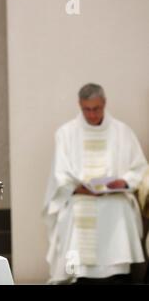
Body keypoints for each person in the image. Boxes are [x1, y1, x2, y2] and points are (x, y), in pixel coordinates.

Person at [44, 83, 148, 284]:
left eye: (96, 109)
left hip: (114, 196)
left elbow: (139, 168)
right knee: (76, 212)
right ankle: (79, 274)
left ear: (104, 103)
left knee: (119, 209)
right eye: (87, 109)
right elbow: (60, 175)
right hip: (80, 196)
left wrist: (123, 181)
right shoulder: (65, 133)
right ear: (79, 105)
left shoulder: (122, 132)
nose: (92, 114)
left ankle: (117, 272)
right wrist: (78, 188)